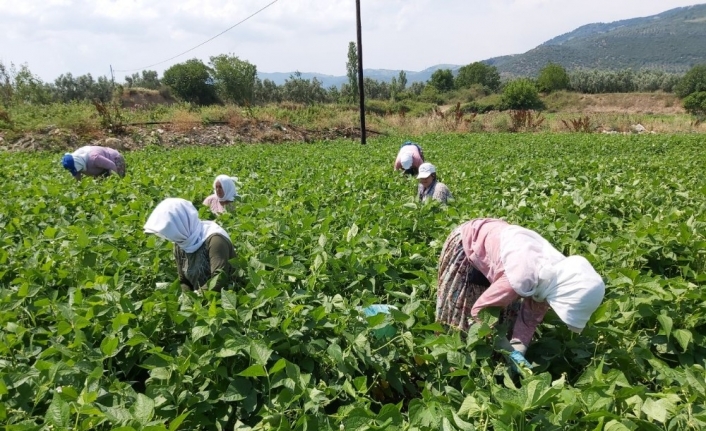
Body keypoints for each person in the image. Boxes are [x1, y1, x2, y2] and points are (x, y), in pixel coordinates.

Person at [436, 218, 605, 368]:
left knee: (505, 312)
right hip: (470, 241)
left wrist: (519, 351)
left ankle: (496, 363)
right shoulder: (520, 278)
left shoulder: (555, 281)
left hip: (508, 252)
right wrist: (505, 348)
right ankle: (454, 363)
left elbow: (529, 321)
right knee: (463, 317)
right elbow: (480, 312)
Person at [144, 198, 236, 292]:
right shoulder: (180, 243)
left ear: (180, 224)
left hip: (225, 297)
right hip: (199, 301)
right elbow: (183, 280)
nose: (167, 236)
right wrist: (186, 298)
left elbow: (219, 280)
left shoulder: (215, 240)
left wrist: (195, 297)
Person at [61, 145, 126, 180]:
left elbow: (111, 165)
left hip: (115, 159)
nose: (77, 170)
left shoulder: (94, 158)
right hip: (100, 166)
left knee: (119, 179)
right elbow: (77, 175)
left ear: (77, 164)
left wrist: (113, 180)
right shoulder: (77, 161)